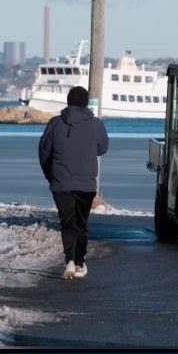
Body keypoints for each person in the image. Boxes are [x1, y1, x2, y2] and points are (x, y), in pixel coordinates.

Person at [38, 85, 109, 279]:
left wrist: (50, 175)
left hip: (61, 182)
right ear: (86, 103)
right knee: (81, 223)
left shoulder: (55, 123)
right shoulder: (96, 124)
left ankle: (69, 260)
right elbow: (103, 148)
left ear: (68, 102)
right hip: (86, 183)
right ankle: (79, 263)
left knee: (67, 223)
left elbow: (44, 152)